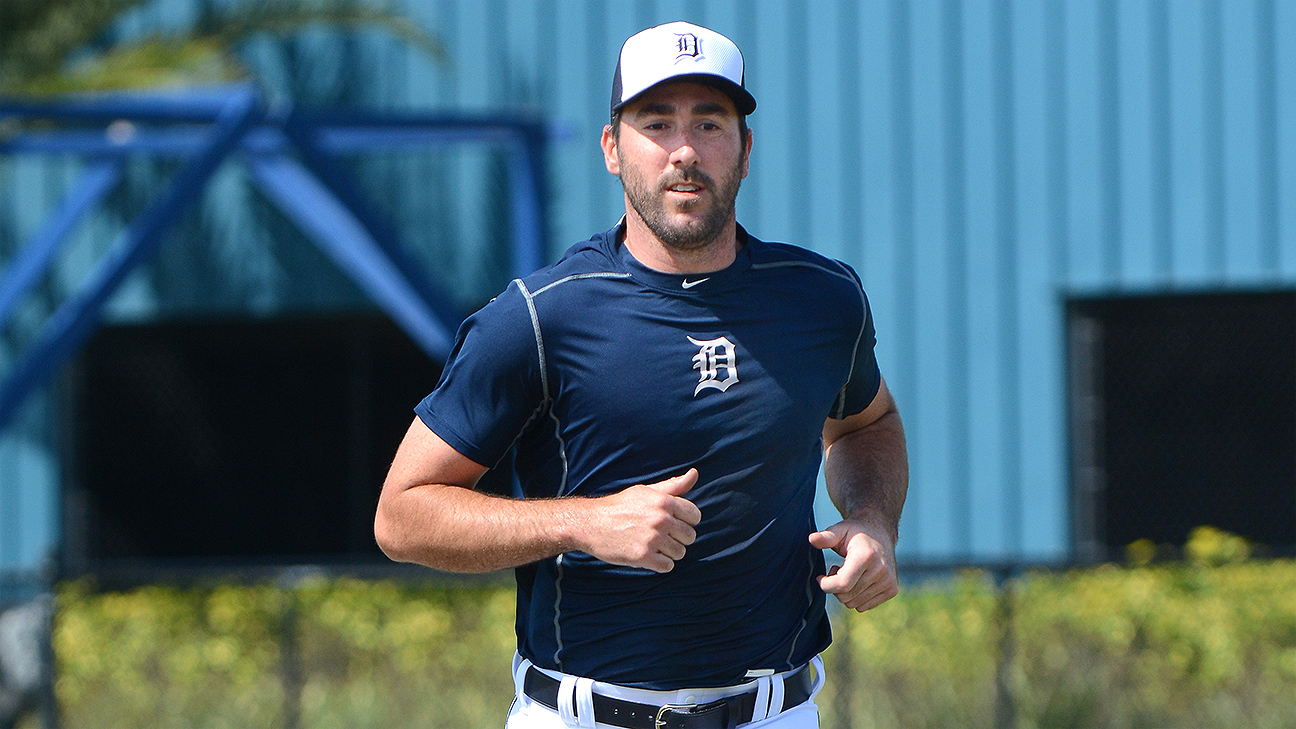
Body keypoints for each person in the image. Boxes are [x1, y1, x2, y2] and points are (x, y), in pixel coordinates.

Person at [375, 20, 908, 729]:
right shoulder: (539, 316)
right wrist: (586, 520)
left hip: (775, 711)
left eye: (711, 124)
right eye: (656, 123)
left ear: (745, 150)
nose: (685, 151)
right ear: (612, 149)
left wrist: (873, 520)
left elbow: (867, 425)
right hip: (582, 714)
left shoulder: (821, 299)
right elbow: (401, 514)